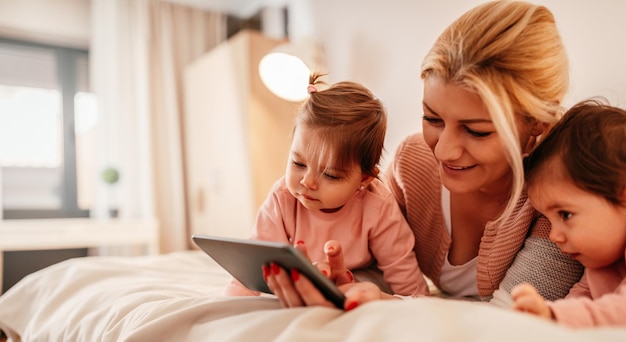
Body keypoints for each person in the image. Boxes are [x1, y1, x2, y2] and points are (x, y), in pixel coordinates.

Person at [264, 0, 584, 310]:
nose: (443, 151)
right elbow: (378, 260)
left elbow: (511, 318)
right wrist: (343, 280)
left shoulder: (559, 199)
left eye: (476, 131)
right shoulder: (412, 162)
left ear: (537, 123)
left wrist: (392, 304)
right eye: (433, 119)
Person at [222, 73, 430, 299]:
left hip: (360, 276)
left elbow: (402, 270)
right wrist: (232, 300)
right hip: (307, 272)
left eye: (330, 175)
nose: (307, 182)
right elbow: (255, 265)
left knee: (367, 286)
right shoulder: (282, 198)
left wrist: (419, 305)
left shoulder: (378, 206)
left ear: (364, 180)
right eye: (298, 163)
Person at [511, 100, 626, 328]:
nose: (554, 236)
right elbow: (582, 295)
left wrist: (556, 316)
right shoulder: (600, 259)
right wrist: (546, 320)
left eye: (565, 215)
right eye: (548, 219)